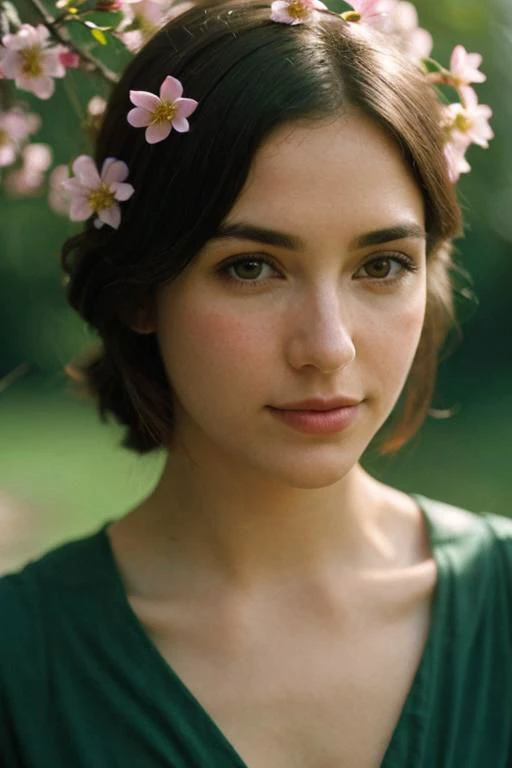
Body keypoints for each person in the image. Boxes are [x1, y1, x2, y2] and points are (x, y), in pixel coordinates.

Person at [1, 1, 510, 765]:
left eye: (381, 265)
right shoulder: (21, 667)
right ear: (143, 288)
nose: (327, 348)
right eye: (251, 267)